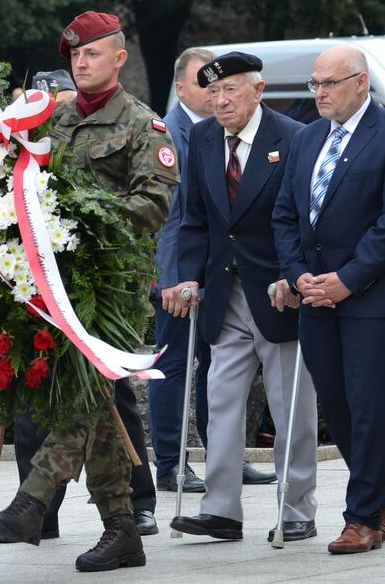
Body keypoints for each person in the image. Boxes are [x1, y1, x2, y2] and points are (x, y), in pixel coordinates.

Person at [0, 11, 177, 572]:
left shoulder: (145, 125)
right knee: (87, 403)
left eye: (92, 54)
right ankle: (122, 529)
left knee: (88, 398)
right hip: (52, 285)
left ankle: (32, 499)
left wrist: (81, 222)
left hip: (109, 288)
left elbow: (154, 203)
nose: (80, 63)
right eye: (74, 55)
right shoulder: (57, 121)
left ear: (119, 58)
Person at [273, 45, 385, 554]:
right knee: (336, 406)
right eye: (315, 84)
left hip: (372, 299)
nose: (318, 93)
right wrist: (298, 276)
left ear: (361, 83)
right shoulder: (307, 137)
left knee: (368, 406)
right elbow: (286, 215)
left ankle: (362, 516)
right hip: (315, 297)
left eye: (329, 83)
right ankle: (384, 492)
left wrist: (348, 278)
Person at [168, 51, 319, 543]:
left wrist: (294, 277)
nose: (221, 99)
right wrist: (187, 275)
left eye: (231, 89)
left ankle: (296, 509)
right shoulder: (204, 136)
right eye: (213, 91)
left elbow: (305, 219)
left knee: (289, 404)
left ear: (259, 91)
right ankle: (221, 509)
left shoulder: (293, 138)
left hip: (278, 293)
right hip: (224, 292)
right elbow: (194, 217)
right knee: (221, 399)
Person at [149, 47, 214, 494]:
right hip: (179, 277)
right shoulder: (170, 134)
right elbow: (169, 216)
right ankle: (170, 464)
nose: (213, 90)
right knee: (173, 366)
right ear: (180, 87)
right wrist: (170, 279)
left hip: (212, 271)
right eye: (203, 81)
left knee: (215, 366)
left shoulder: (215, 131)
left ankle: (223, 457)